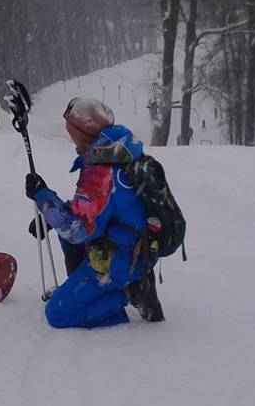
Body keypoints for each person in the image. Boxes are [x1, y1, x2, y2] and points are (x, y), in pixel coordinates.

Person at [25, 98, 163, 328]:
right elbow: (97, 207)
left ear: (80, 134)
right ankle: (106, 285)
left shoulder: (101, 171)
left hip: (119, 259)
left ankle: (123, 292)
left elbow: (77, 230)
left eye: (71, 131)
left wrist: (44, 199)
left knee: (57, 314)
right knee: (64, 233)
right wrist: (51, 217)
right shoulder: (120, 151)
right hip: (137, 245)